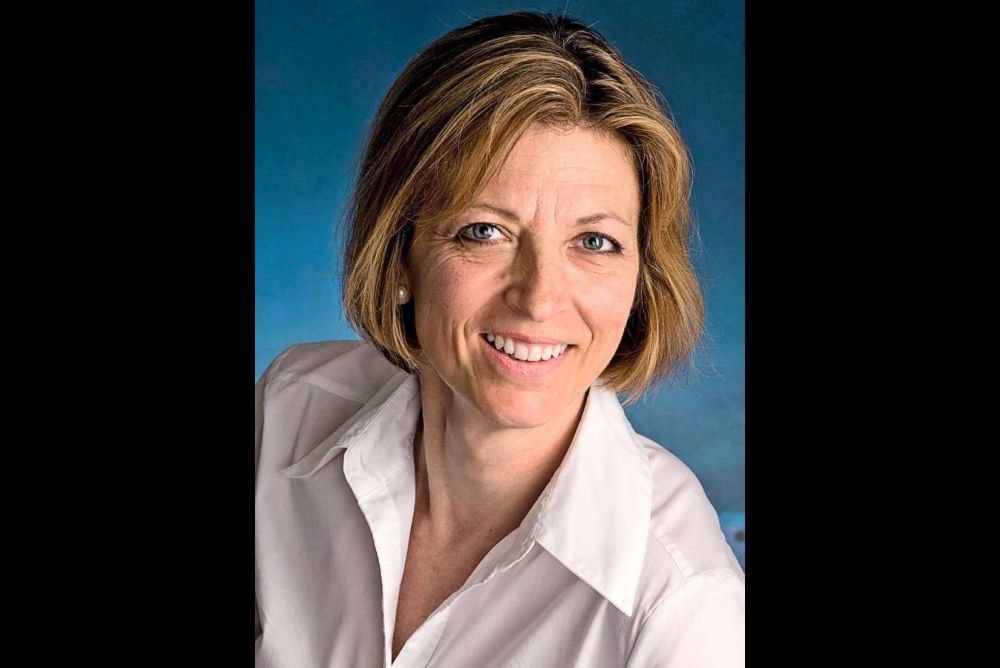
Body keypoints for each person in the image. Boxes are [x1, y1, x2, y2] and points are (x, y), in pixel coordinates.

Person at [255, 10, 744, 667]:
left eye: (594, 242)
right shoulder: (290, 410)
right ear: (400, 256)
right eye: (485, 231)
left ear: (640, 282)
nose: (539, 299)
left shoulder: (682, 607)